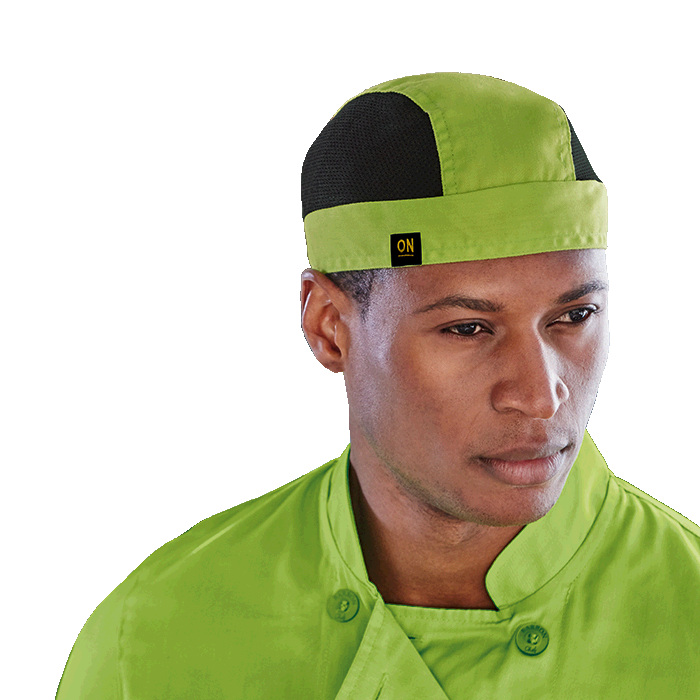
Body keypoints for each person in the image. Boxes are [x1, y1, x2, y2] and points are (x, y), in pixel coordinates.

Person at [56, 73, 700, 699]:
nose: (540, 395)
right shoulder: (156, 635)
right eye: (468, 328)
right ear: (329, 328)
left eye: (575, 316)